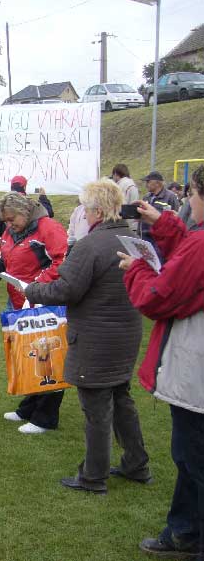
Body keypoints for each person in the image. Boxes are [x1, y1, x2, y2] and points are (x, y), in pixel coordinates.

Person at [25, 179, 150, 494]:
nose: (84, 213)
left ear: (97, 211)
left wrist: (32, 289)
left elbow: (67, 289)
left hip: (96, 338)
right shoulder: (132, 238)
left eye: (85, 208)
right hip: (126, 333)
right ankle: (136, 464)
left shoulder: (91, 245)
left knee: (96, 408)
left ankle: (93, 476)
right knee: (121, 398)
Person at [120, 164, 204, 561]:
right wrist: (164, 223)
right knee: (191, 458)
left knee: (193, 458)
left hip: (195, 368)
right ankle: (184, 532)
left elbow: (156, 296)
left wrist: (136, 267)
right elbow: (189, 256)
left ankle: (189, 535)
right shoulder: (196, 241)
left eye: (192, 195)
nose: (189, 202)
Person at [0, 192, 68, 434]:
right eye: (6, 221)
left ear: (25, 212)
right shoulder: (11, 232)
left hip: (45, 303)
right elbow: (0, 256)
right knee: (28, 356)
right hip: (19, 302)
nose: (9, 225)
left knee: (47, 359)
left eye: (11, 219)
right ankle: (29, 407)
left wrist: (38, 284)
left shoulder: (48, 228)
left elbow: (62, 261)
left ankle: (46, 417)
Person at [139, 171, 180, 257]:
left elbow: (176, 218)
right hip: (145, 236)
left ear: (157, 183)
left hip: (160, 239)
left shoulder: (171, 197)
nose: (146, 184)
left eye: (148, 182)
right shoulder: (146, 197)